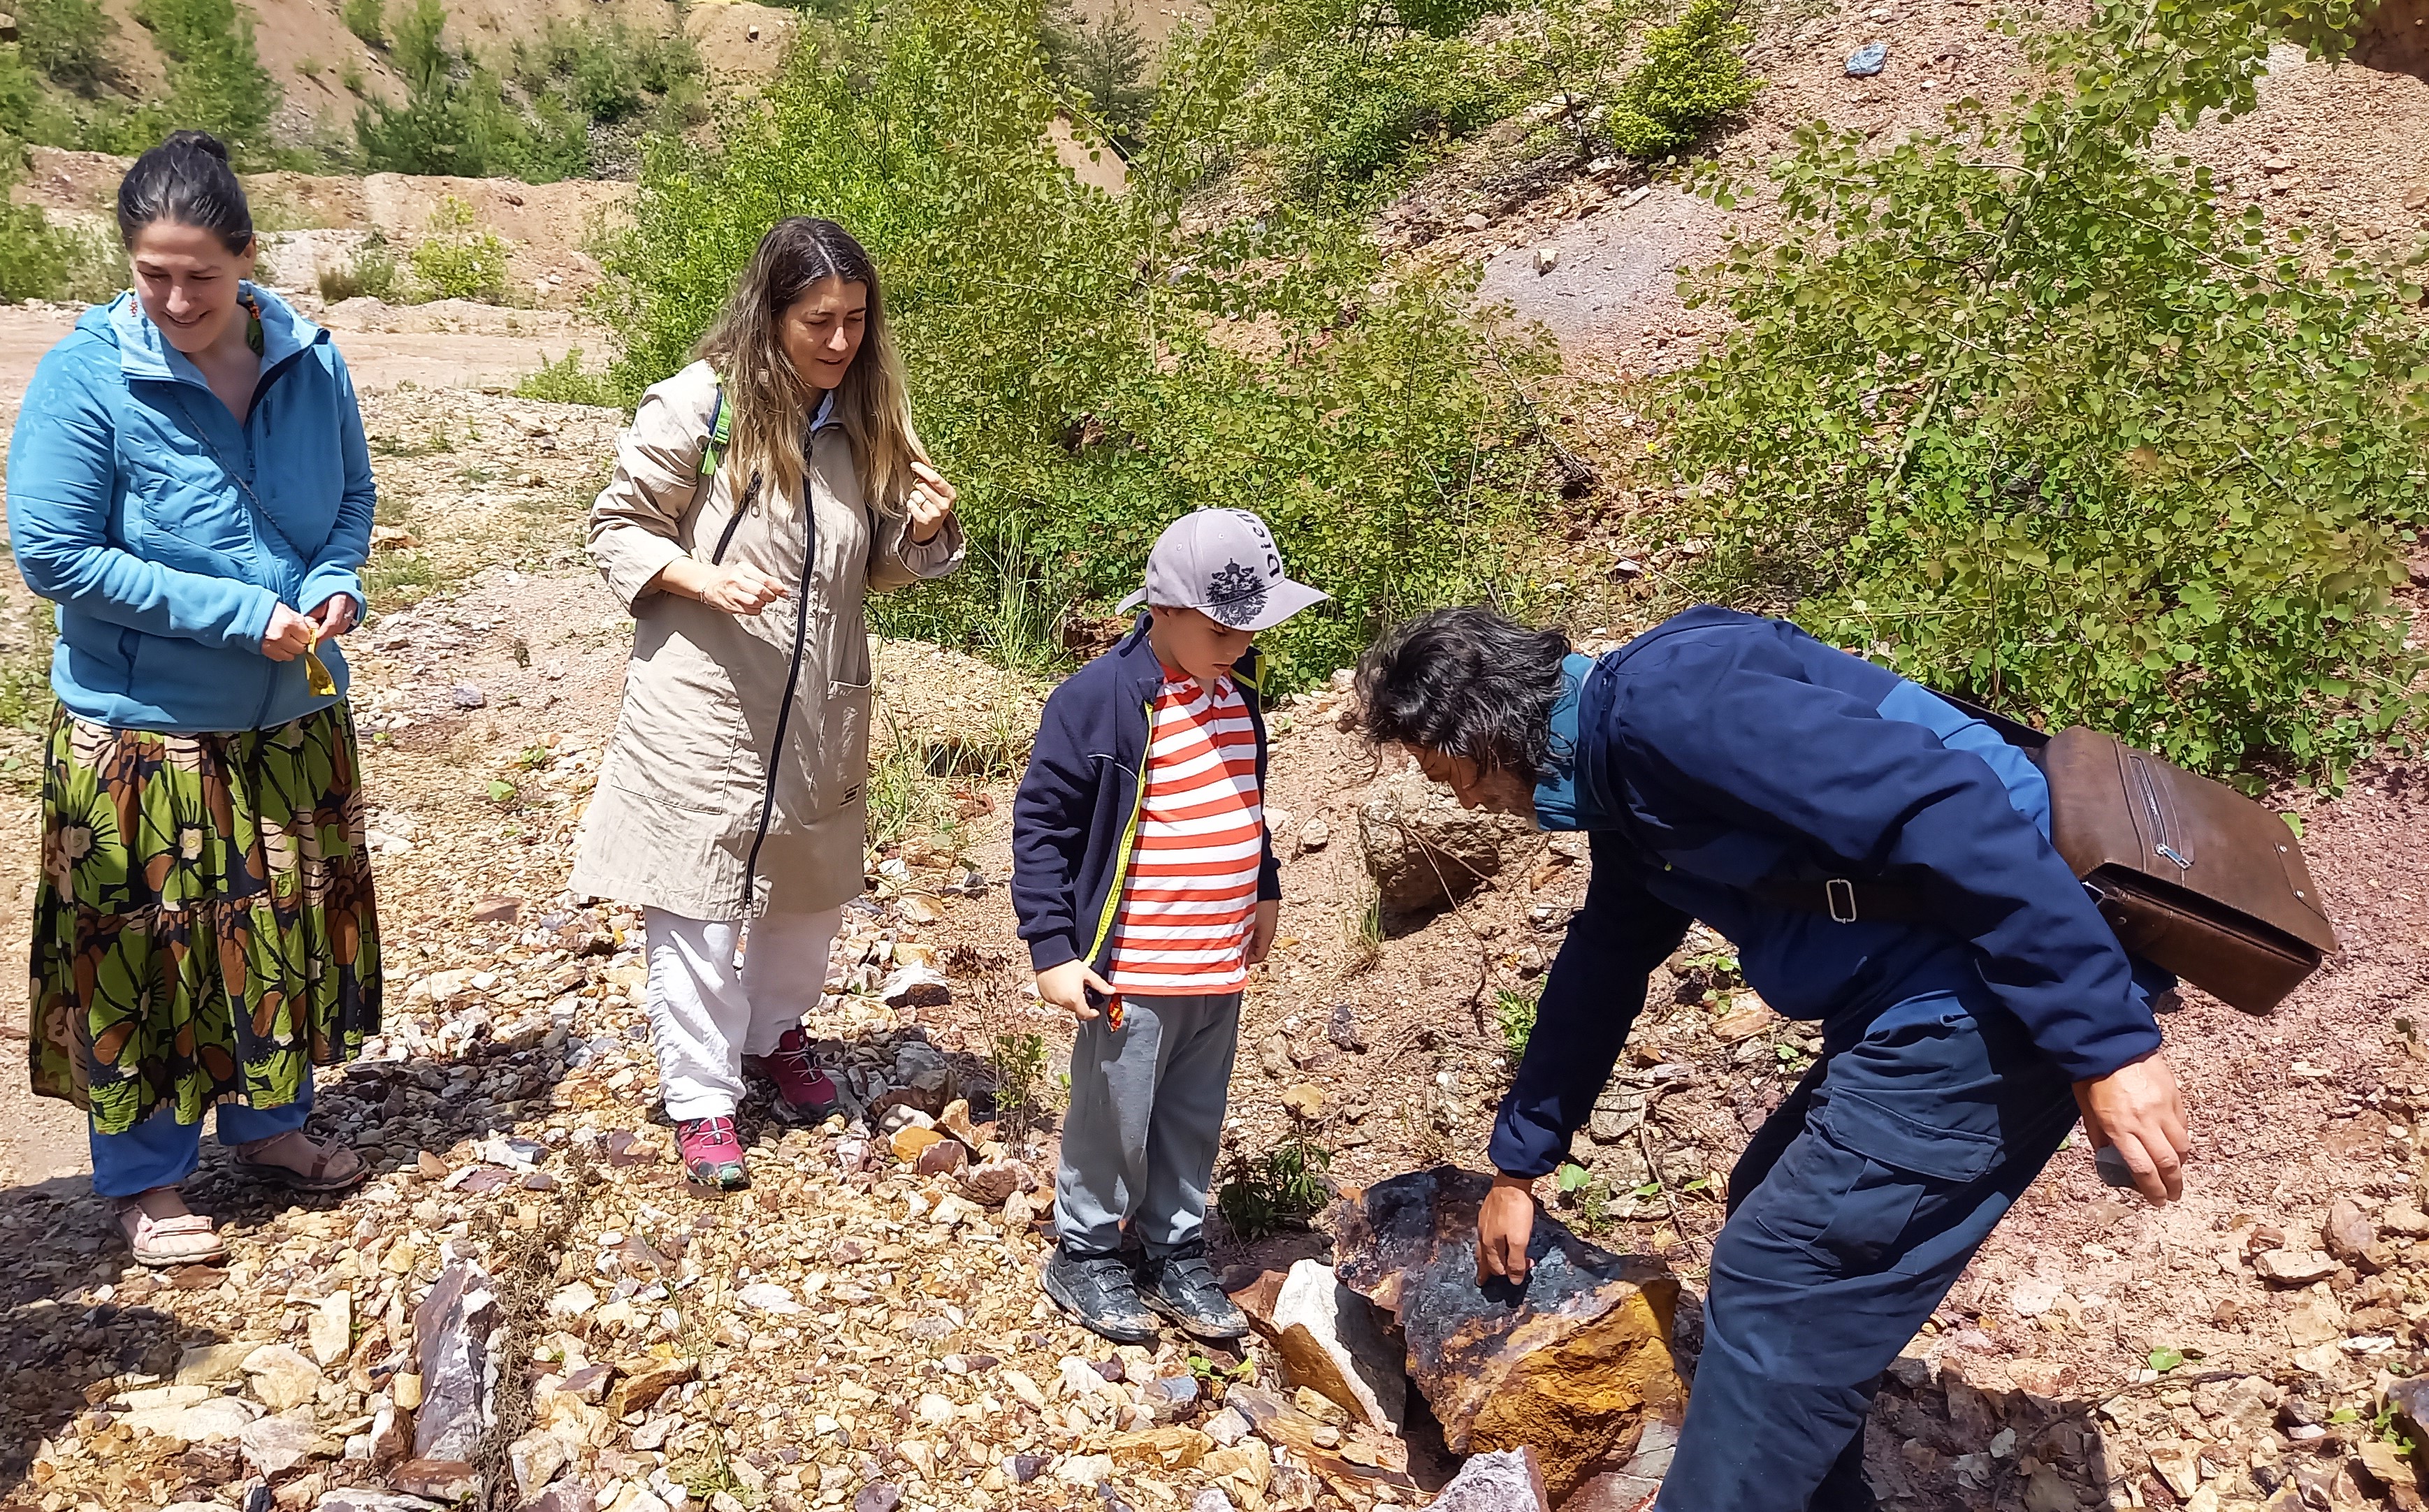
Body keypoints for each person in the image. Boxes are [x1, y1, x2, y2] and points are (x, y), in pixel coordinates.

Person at [1351, 604, 2191, 1512]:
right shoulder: (1621, 773)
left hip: (1997, 973)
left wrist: (2104, 1040)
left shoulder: (1669, 714)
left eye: (1451, 774)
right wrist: (1518, 1165)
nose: (1464, 800)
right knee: (1772, 1195)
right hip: (1934, 978)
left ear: (1488, 734)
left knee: (1785, 1268)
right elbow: (1604, 960)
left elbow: (1942, 805)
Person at [8, 131, 383, 1267]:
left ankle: (269, 1126)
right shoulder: (89, 375)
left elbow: (352, 500)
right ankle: (147, 1178)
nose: (176, 297)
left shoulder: (312, 357)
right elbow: (53, 551)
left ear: (246, 259)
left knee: (275, 929)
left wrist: (332, 582)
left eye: (200, 276)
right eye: (151, 274)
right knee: (148, 960)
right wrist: (233, 612)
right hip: (144, 730)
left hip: (290, 713)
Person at [572, 217, 964, 1191]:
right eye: (817, 321)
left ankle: (771, 1036)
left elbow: (879, 563)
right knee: (698, 902)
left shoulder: (866, 422)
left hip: (820, 704)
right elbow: (616, 525)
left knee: (809, 893)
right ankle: (702, 1099)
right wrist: (701, 579)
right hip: (703, 701)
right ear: (770, 315)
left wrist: (927, 530)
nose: (839, 343)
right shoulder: (698, 410)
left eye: (856, 322)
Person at [1010, 508, 1328, 1342]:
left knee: (1190, 1111)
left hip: (1215, 961)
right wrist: (1051, 948)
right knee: (1112, 1111)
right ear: (1161, 609)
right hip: (1133, 963)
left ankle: (1170, 1244)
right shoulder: (1100, 700)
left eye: (1254, 625)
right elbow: (1041, 825)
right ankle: (1083, 1248)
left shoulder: (1238, 689)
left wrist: (1263, 886)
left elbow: (1243, 802)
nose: (1241, 642)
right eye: (1225, 626)